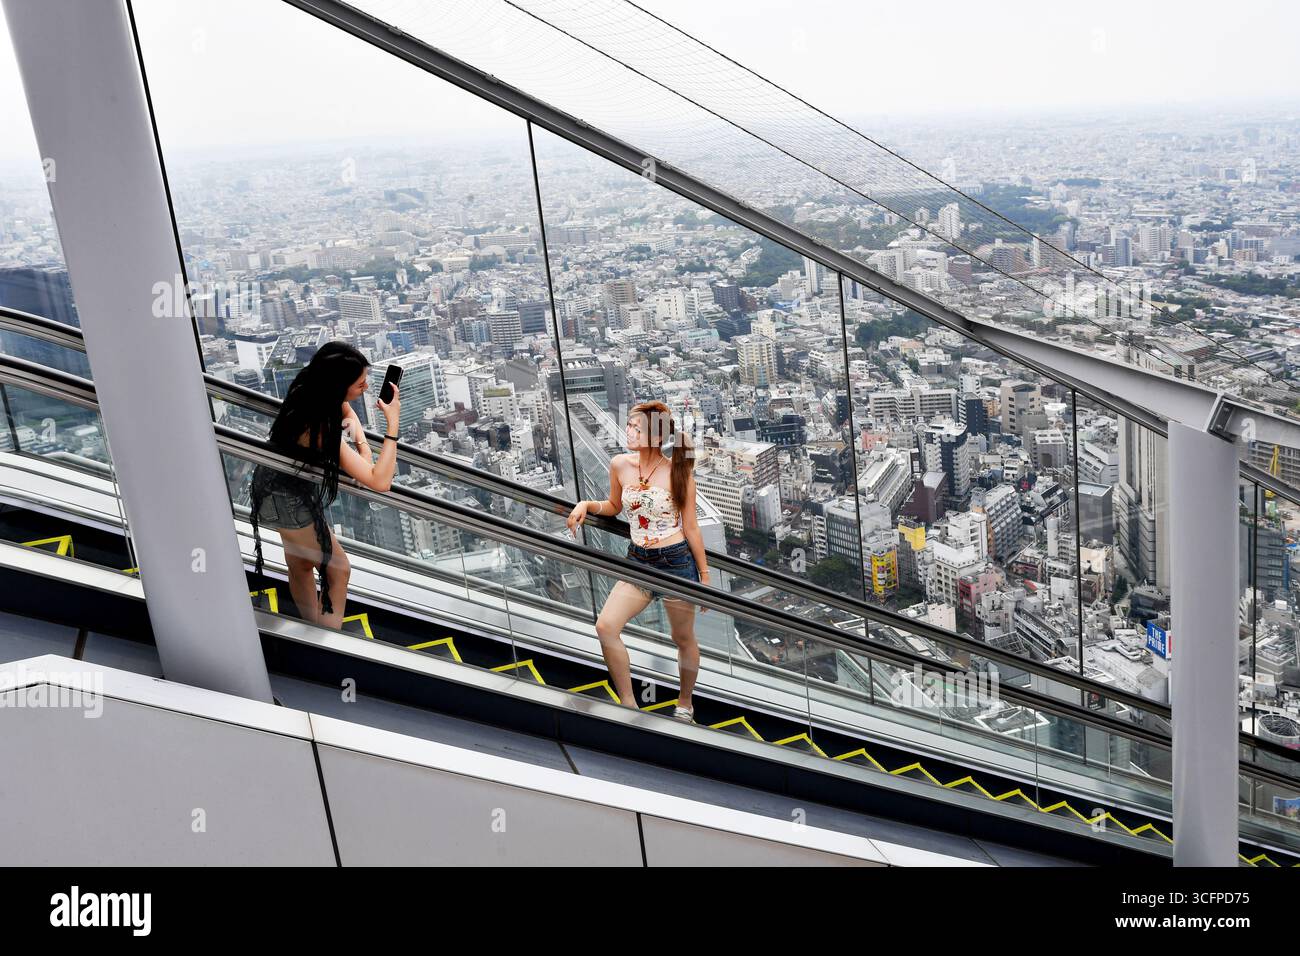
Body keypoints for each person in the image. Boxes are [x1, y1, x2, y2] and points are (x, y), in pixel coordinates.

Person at [566, 400, 709, 722]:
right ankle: (629, 703)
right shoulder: (620, 464)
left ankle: (685, 703)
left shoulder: (679, 473)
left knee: (682, 638)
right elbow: (615, 506)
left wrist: (704, 575)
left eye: (636, 428)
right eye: (629, 426)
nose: (629, 432)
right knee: (606, 626)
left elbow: (691, 528)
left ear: (656, 437)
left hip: (675, 563)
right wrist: (586, 504)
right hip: (638, 560)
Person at [248, 342, 401, 629]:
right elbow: (380, 481)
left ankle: (312, 628)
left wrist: (361, 446)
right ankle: (326, 641)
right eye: (359, 383)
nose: (366, 388)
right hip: (290, 500)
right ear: (337, 385)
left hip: (271, 486)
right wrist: (392, 424)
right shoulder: (321, 427)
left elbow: (348, 413)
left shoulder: (309, 391)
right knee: (338, 571)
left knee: (300, 564)